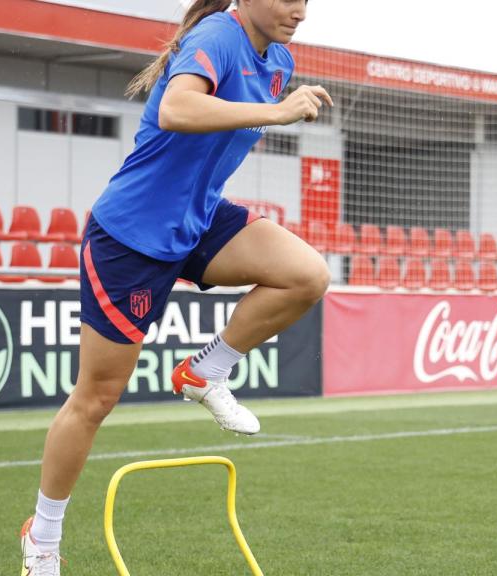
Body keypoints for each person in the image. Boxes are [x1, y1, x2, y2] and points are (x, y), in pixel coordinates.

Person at [19, 1, 332, 573]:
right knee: (95, 399)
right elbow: (176, 108)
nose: (300, 10)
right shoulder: (218, 33)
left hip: (198, 220)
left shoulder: (279, 60)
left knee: (308, 275)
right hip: (131, 236)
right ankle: (42, 536)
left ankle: (205, 370)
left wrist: (276, 104)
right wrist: (275, 110)